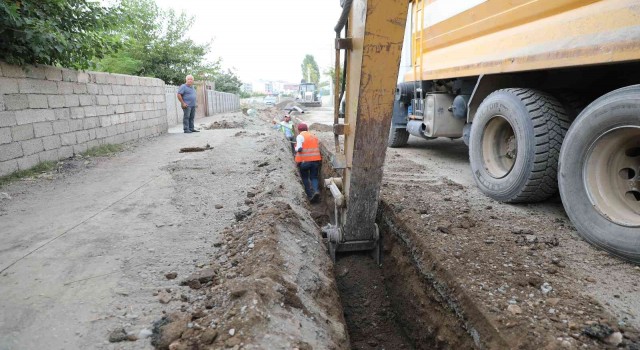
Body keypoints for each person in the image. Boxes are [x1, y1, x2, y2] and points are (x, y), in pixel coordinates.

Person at [294, 123, 322, 203]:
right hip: (315, 161)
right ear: (307, 129)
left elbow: (299, 149)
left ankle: (310, 195)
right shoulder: (313, 136)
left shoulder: (300, 136)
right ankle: (316, 191)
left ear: (299, 130)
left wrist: (295, 147)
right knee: (314, 177)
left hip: (304, 162)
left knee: (305, 178)